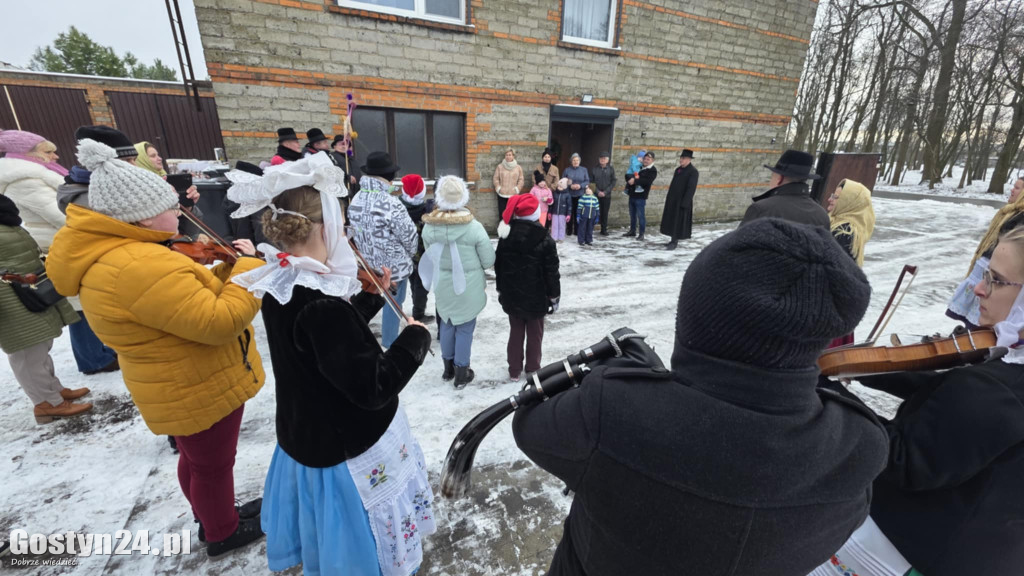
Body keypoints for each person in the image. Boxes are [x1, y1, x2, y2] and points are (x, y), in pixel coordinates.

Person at [512, 218, 888, 576]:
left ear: (697, 318)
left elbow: (529, 423)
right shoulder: (859, 448)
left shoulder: (612, 411)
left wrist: (623, 377)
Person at [46, 138, 267, 557]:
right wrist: (250, 272)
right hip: (192, 380)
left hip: (180, 376)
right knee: (213, 464)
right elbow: (215, 321)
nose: (180, 211)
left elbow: (182, 299)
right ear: (143, 219)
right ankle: (222, 531)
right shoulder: (136, 265)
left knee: (198, 461)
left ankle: (214, 515)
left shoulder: (133, 253)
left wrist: (221, 270)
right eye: (170, 206)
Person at [227, 153, 435, 576]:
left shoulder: (283, 281)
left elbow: (320, 347)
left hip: (308, 432)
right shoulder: (318, 302)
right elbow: (372, 387)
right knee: (357, 553)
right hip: (345, 451)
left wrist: (371, 298)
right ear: (325, 227)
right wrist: (414, 337)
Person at [810, 226, 1024, 576]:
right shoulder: (1007, 371)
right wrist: (870, 366)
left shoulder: (997, 391)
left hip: (906, 552)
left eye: (997, 281)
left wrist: (825, 389)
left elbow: (903, 459)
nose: (979, 288)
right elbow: (954, 402)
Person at [0, 194, 91, 424]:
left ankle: (53, 390)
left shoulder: (6, 219)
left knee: (40, 346)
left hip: (26, 292)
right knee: (27, 353)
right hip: (9, 300)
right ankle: (47, 404)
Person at [55, 126, 132, 377]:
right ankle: (95, 359)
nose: (134, 166)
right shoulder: (85, 199)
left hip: (119, 274)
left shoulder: (112, 187)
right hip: (108, 276)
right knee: (85, 315)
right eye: (128, 161)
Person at [420, 176, 495, 388]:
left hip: (443, 282)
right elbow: (488, 259)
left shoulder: (429, 227)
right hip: (468, 286)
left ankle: (447, 368)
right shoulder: (474, 227)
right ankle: (462, 372)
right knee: (464, 326)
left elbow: (430, 254)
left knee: (447, 322)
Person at [349, 151, 418, 349]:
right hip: (394, 268)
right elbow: (409, 236)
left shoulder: (357, 199)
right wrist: (410, 254)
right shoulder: (391, 203)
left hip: (367, 265)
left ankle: (356, 336)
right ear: (388, 177)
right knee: (393, 305)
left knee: (365, 301)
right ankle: (390, 342)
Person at [495, 194, 559, 382]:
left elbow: (499, 266)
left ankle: (514, 369)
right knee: (535, 333)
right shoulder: (546, 240)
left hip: (512, 294)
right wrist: (554, 295)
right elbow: (552, 272)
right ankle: (533, 368)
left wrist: (501, 289)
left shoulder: (505, 236)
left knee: (515, 331)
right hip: (537, 296)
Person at [948, 175, 1024, 327]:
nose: (1012, 190)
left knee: (983, 315)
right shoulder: (1010, 211)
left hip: (998, 271)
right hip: (989, 267)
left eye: (1017, 188)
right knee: (974, 311)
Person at [825, 178, 875, 348]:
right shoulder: (839, 223)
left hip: (830, 304)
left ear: (849, 202)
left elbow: (833, 272)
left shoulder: (844, 231)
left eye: (836, 197)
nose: (830, 199)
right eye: (832, 194)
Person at [0, 130, 68, 252]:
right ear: (25, 155)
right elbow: (63, 217)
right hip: (59, 242)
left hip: (61, 238)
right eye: (48, 152)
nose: (55, 156)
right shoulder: (26, 183)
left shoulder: (33, 178)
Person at [133, 140, 205, 239]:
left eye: (158, 155)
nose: (159, 158)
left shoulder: (166, 179)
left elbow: (190, 233)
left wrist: (189, 209)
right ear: (140, 160)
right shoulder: (139, 189)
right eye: (153, 156)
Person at [740, 149, 828, 228]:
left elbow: (737, 244)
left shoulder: (761, 209)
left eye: (772, 177)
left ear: (779, 178)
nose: (770, 181)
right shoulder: (821, 215)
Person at [399, 173, 434, 322]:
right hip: (422, 251)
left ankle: (416, 308)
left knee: (414, 280)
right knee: (422, 283)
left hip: (405, 251)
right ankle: (418, 314)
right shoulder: (426, 209)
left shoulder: (399, 206)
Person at [660, 149, 699, 249]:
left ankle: (674, 242)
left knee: (678, 221)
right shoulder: (678, 170)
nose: (681, 160)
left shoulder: (693, 172)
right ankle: (672, 239)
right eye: (681, 158)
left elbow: (691, 188)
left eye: (684, 158)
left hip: (682, 201)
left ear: (689, 159)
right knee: (672, 220)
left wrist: (685, 203)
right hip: (673, 200)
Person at [624, 151, 657, 241]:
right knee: (632, 215)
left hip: (641, 197)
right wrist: (630, 179)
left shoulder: (652, 170)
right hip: (632, 194)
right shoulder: (639, 166)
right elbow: (628, 174)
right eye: (645, 159)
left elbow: (647, 181)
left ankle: (641, 234)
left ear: (652, 160)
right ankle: (632, 231)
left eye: (648, 159)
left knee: (640, 216)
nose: (646, 160)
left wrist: (634, 181)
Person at [493, 147, 524, 220]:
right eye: (506, 155)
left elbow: (521, 179)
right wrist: (498, 188)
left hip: (513, 195)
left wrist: (517, 189)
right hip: (502, 194)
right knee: (502, 214)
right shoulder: (500, 167)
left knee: (512, 214)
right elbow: (495, 178)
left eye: (510, 155)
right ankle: (502, 230)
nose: (508, 156)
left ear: (513, 156)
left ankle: (511, 230)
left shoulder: (518, 167)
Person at [563, 153, 589, 236]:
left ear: (579, 161)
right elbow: (563, 181)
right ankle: (569, 229)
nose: (575, 161)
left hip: (580, 195)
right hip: (569, 195)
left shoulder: (584, 170)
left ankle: (577, 230)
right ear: (571, 161)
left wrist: (580, 186)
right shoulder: (567, 170)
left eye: (577, 160)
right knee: (569, 212)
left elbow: (587, 181)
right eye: (574, 160)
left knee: (578, 212)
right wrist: (570, 186)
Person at [590, 151, 615, 235]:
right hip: (595, 195)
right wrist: (597, 191)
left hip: (606, 195)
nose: (602, 160)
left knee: (604, 213)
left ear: (607, 160)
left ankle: (603, 230)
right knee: (594, 212)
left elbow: (613, 182)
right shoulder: (594, 169)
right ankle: (591, 228)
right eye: (601, 158)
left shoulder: (611, 169)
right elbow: (591, 182)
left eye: (604, 158)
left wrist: (605, 192)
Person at [551, 177, 572, 242]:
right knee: (554, 225)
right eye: (558, 186)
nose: (559, 188)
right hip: (554, 212)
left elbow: (569, 205)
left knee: (561, 226)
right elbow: (552, 203)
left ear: (565, 187)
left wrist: (568, 214)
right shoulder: (554, 193)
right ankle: (554, 237)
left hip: (562, 213)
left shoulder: (567, 195)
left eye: (561, 187)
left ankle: (561, 238)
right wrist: (549, 212)